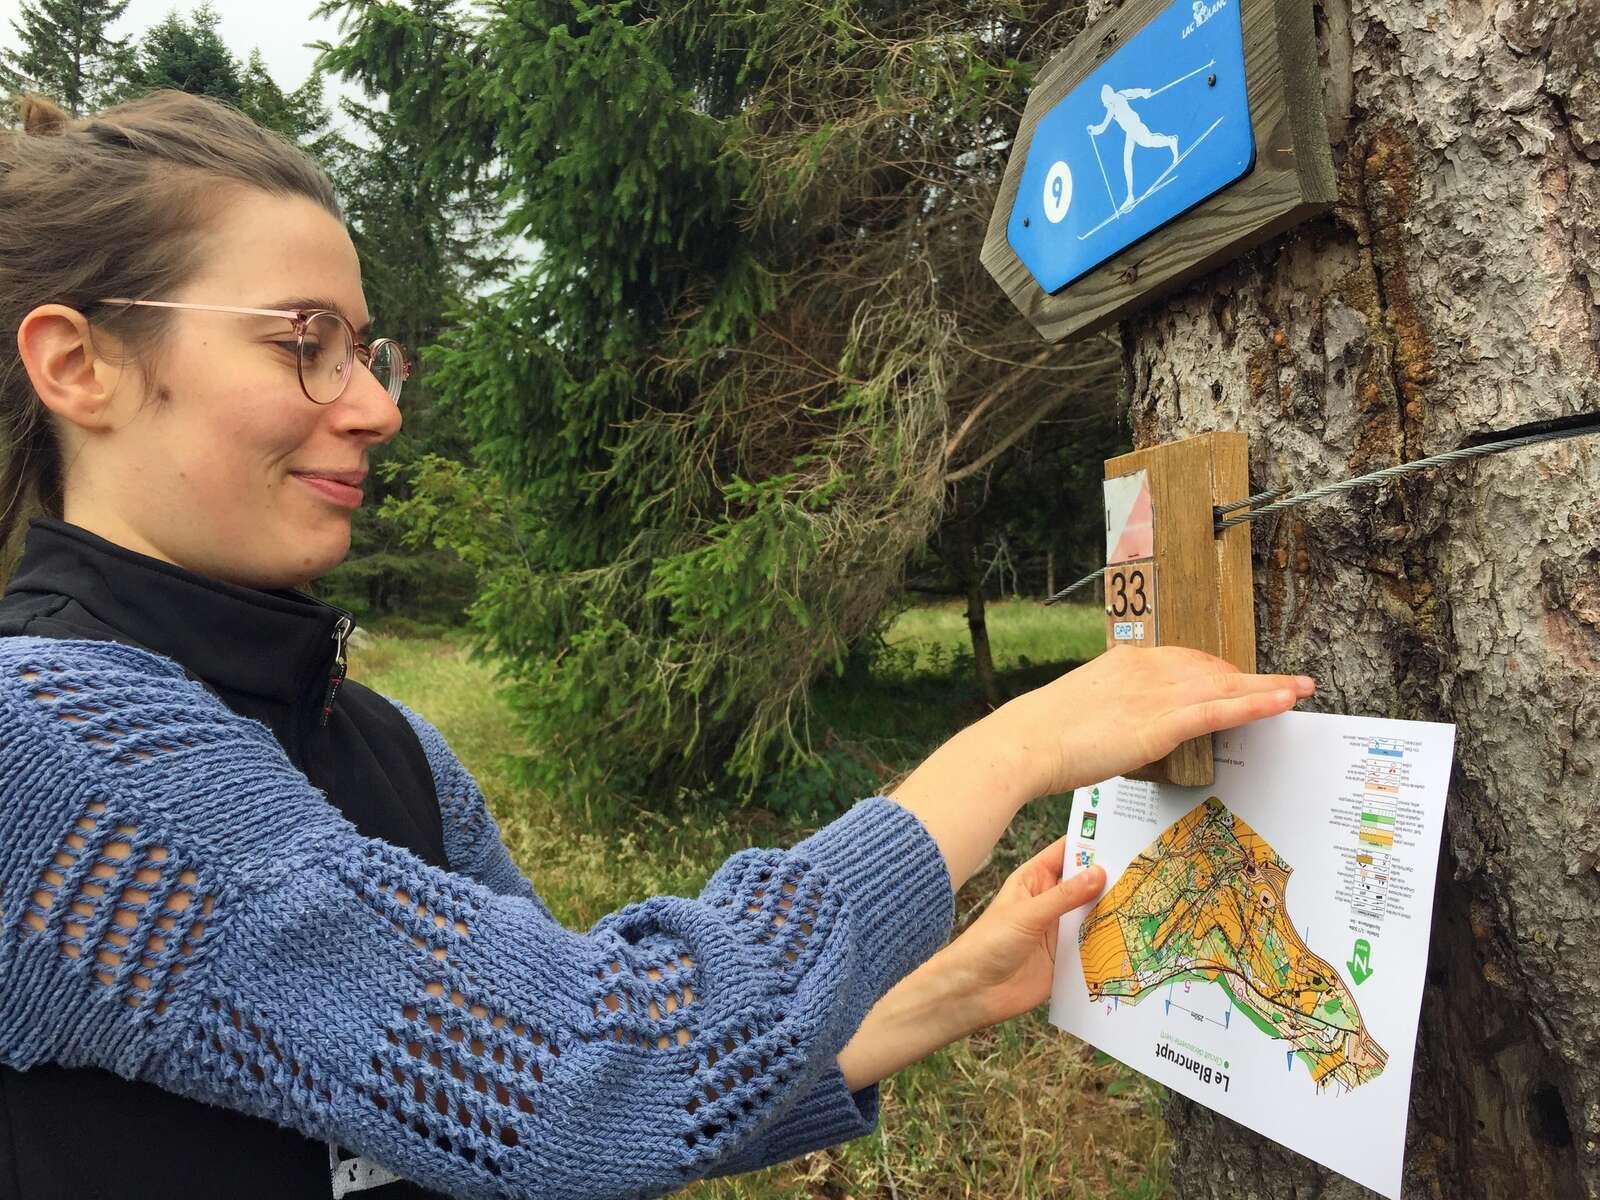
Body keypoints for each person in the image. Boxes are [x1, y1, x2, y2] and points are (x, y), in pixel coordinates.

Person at [0, 91, 1314, 1200]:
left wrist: (937, 997)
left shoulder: (384, 745)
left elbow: (518, 1118)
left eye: (367, 350)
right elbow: (594, 1068)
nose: (377, 408)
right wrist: (1014, 748)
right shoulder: (40, 738)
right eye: (305, 346)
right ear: (81, 366)